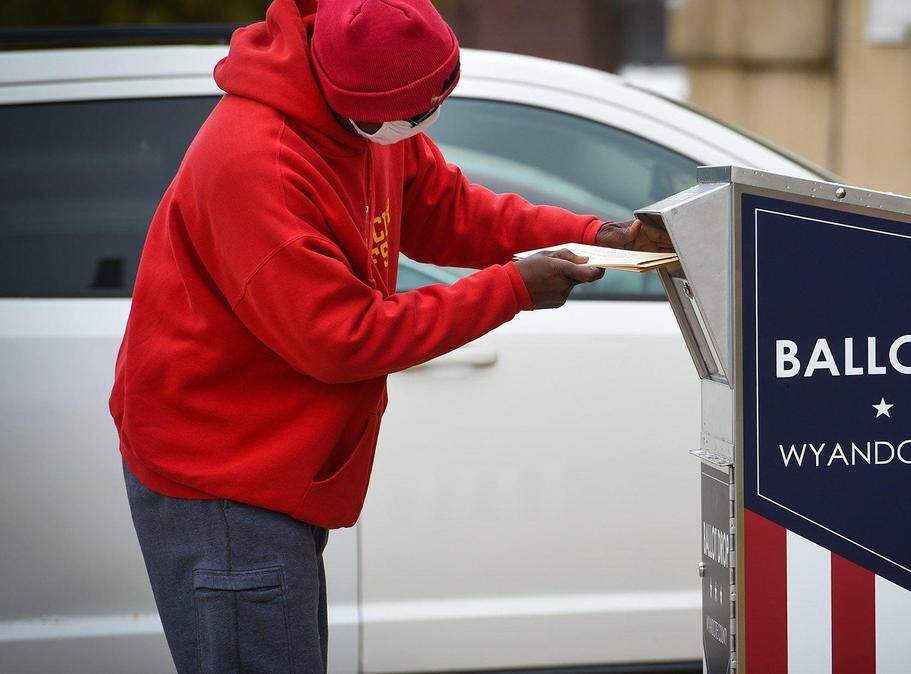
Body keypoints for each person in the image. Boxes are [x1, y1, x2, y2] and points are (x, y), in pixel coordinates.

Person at [109, 0, 672, 670]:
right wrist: (514, 289)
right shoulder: (256, 163)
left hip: (272, 464)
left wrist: (593, 235)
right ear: (350, 101)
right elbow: (342, 339)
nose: (416, 129)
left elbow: (445, 209)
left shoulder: (364, 113)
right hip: (224, 478)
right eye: (404, 117)